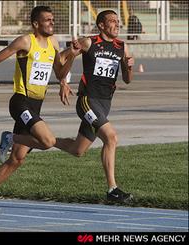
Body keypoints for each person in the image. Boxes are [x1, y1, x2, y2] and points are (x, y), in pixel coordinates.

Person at [0, 6, 80, 212]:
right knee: (48, 141)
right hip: (21, 102)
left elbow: (60, 70)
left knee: (17, 159)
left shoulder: (53, 43)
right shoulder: (26, 41)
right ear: (36, 24)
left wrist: (71, 57)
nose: (52, 23)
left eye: (53, 19)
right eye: (47, 20)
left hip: (36, 105)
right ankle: (10, 138)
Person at [55, 10, 134, 204]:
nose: (117, 25)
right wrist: (63, 82)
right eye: (112, 21)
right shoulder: (88, 42)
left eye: (118, 22)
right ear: (101, 25)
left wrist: (129, 66)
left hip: (105, 104)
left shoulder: (122, 47)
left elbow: (127, 79)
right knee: (111, 138)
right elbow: (60, 59)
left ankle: (35, 139)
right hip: (87, 101)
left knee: (77, 149)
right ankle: (112, 189)